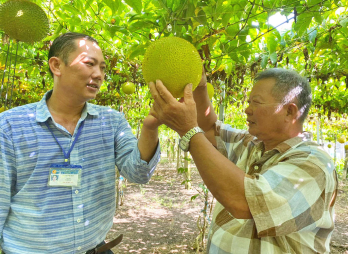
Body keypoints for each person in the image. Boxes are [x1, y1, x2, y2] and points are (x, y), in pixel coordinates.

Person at [0, 32, 161, 254]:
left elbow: (138, 173)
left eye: (103, 68)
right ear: (57, 66)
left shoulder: (111, 122)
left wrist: (150, 128)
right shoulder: (10, 126)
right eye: (90, 64)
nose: (99, 74)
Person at [149, 68, 337, 253]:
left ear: (289, 111)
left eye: (256, 103)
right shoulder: (252, 145)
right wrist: (200, 84)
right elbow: (208, 128)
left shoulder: (314, 163)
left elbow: (246, 202)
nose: (247, 110)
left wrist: (188, 131)